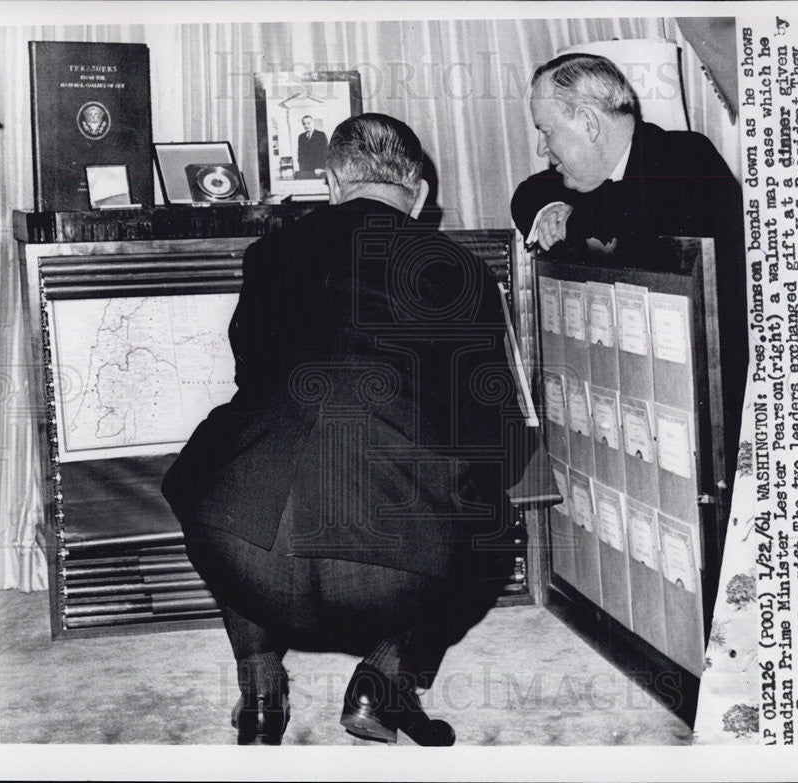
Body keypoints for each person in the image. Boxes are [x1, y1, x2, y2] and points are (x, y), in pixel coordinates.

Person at [162, 113, 531, 746]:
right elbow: (488, 424)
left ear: (332, 183)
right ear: (417, 193)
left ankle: (259, 691)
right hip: (391, 570)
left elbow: (251, 375)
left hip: (248, 556)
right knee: (495, 523)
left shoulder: (270, 254)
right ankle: (383, 679)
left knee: (225, 457)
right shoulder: (462, 269)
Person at [511, 52, 747, 485]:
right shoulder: (584, 181)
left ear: (588, 123)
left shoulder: (685, 158)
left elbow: (635, 211)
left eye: (546, 131)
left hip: (713, 423)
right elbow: (528, 195)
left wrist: (572, 218)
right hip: (637, 414)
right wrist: (553, 208)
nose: (542, 148)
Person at [296, 114, 328, 179]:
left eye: (308, 123)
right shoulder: (301, 137)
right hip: (305, 171)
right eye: (304, 124)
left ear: (313, 123)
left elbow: (325, 153)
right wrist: (302, 169)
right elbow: (300, 154)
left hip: (318, 170)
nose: (306, 126)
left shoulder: (321, 135)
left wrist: (321, 168)